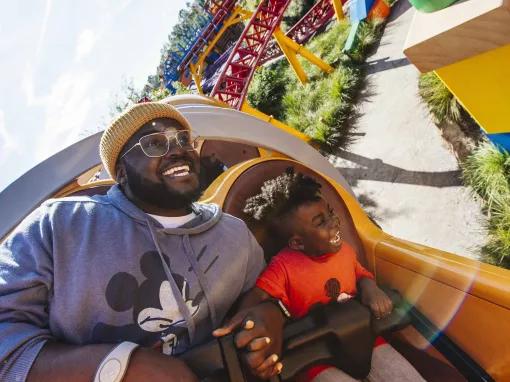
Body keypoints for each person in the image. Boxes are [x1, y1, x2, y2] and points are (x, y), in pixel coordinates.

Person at [0, 101, 285, 382]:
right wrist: (118, 366)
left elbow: (265, 292)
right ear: (121, 172)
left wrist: (269, 314)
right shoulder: (59, 227)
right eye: (155, 144)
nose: (177, 151)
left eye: (183, 140)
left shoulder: (235, 233)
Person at [238, 168, 426, 382]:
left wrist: (370, 289)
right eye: (321, 222)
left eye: (330, 213)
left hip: (361, 336)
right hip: (315, 356)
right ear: (297, 242)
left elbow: (360, 274)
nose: (334, 222)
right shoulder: (283, 268)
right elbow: (257, 298)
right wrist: (247, 327)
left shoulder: (344, 250)